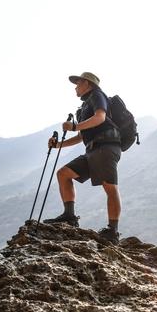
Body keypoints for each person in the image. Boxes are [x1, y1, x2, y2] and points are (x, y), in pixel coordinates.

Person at [44, 72, 122, 244]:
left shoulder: (97, 95)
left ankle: (112, 232)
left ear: (87, 83)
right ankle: (69, 216)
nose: (75, 87)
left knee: (109, 186)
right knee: (63, 173)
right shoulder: (84, 108)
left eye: (78, 83)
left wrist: (74, 126)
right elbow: (81, 136)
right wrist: (57, 145)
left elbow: (100, 118)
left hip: (106, 147)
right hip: (92, 149)